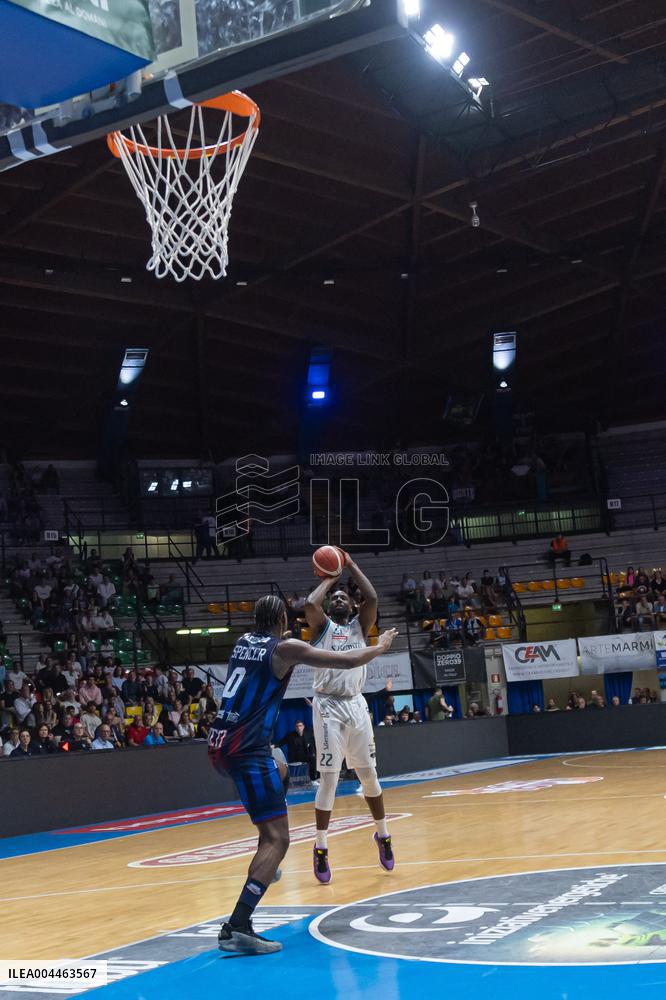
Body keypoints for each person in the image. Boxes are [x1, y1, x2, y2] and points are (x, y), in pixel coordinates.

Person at [209, 593, 397, 957]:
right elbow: (346, 660)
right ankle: (238, 925)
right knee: (278, 841)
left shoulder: (242, 643)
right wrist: (381, 645)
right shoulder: (285, 648)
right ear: (281, 620)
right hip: (246, 750)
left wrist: (327, 580)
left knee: (279, 767)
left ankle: (264, 866)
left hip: (221, 742)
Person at [303, 552, 395, 888]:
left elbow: (371, 597)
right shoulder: (321, 625)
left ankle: (383, 835)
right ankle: (321, 846)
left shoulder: (361, 625)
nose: (340, 598)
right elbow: (309, 603)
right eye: (335, 597)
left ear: (353, 607)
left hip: (356, 706)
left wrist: (351, 565)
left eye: (345, 596)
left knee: (369, 777)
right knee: (329, 780)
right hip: (327, 705)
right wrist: (330, 576)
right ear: (330, 607)